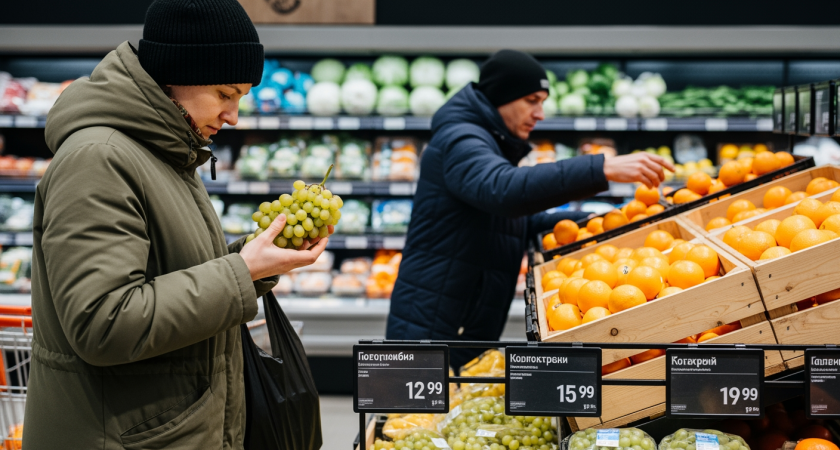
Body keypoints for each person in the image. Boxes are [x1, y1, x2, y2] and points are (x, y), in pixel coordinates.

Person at [22, 0, 329, 448]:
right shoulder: (99, 159)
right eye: (225, 93)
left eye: (241, 96)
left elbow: (170, 275)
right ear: (178, 74)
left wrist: (255, 262)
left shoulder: (166, 151)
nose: (233, 116)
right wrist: (240, 272)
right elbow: (103, 323)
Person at [386, 50, 673, 369]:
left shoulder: (487, 140)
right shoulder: (460, 139)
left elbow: (513, 220)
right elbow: (503, 190)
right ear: (501, 97)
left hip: (460, 322)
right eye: (532, 100)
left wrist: (603, 221)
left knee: (450, 415)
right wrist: (601, 167)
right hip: (432, 326)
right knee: (411, 419)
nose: (540, 113)